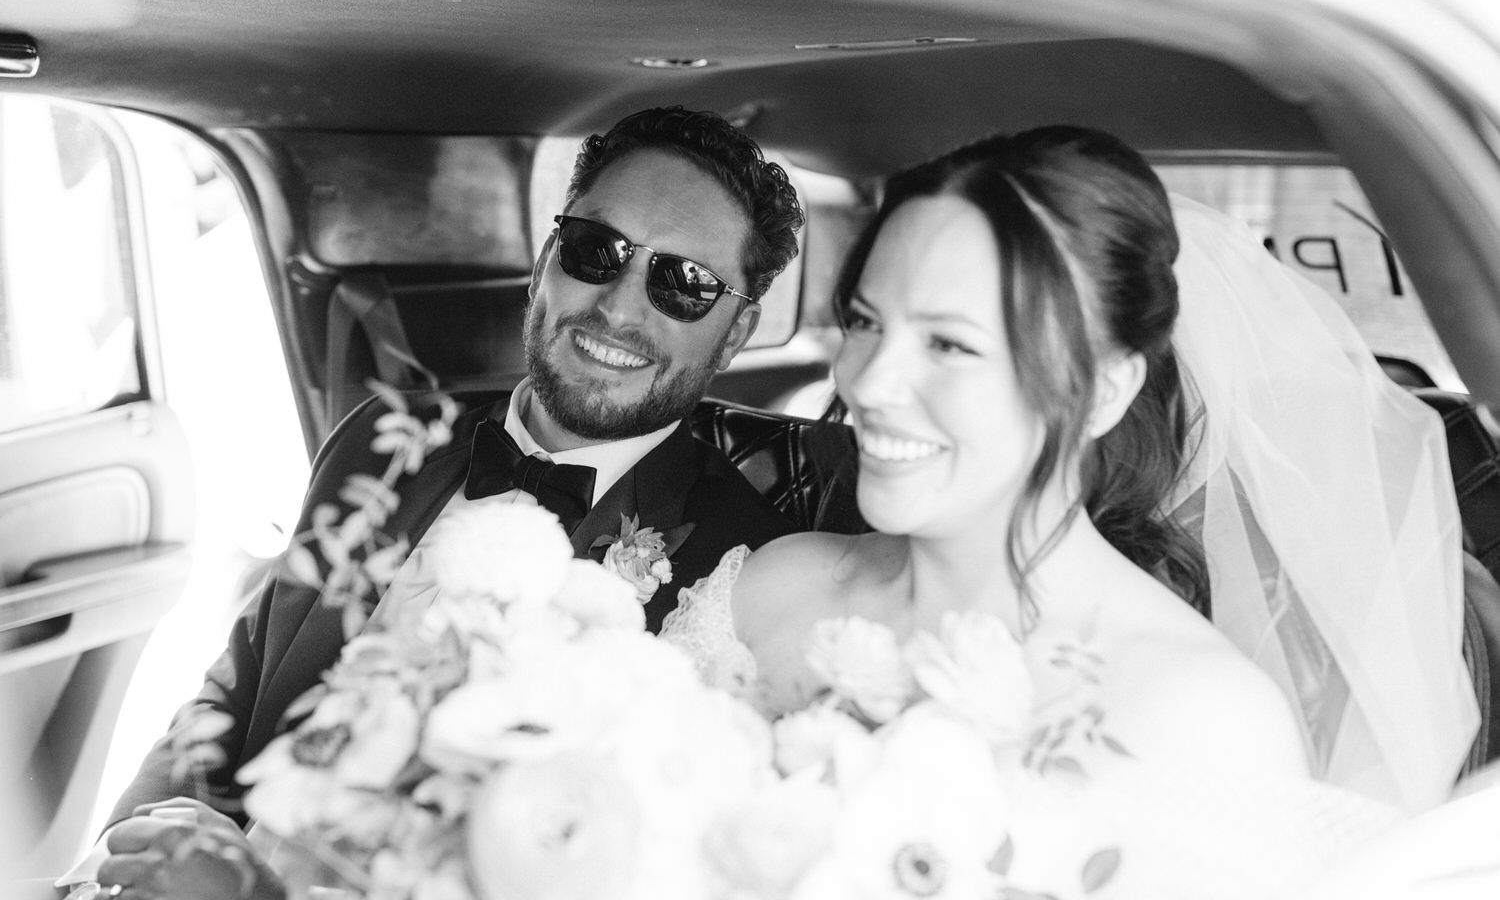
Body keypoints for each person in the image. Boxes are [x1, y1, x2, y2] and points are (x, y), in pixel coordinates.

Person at [661, 125, 1478, 893]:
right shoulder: (767, 589)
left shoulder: (1202, 719)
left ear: (1106, 389)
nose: (868, 384)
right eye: (867, 324)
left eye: (950, 344)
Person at [86, 106, 805, 893]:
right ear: (545, 260)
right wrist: (137, 843)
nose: (622, 308)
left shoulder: (745, 580)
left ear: (735, 335)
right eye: (598, 251)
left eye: (685, 284)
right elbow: (238, 685)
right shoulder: (385, 439)